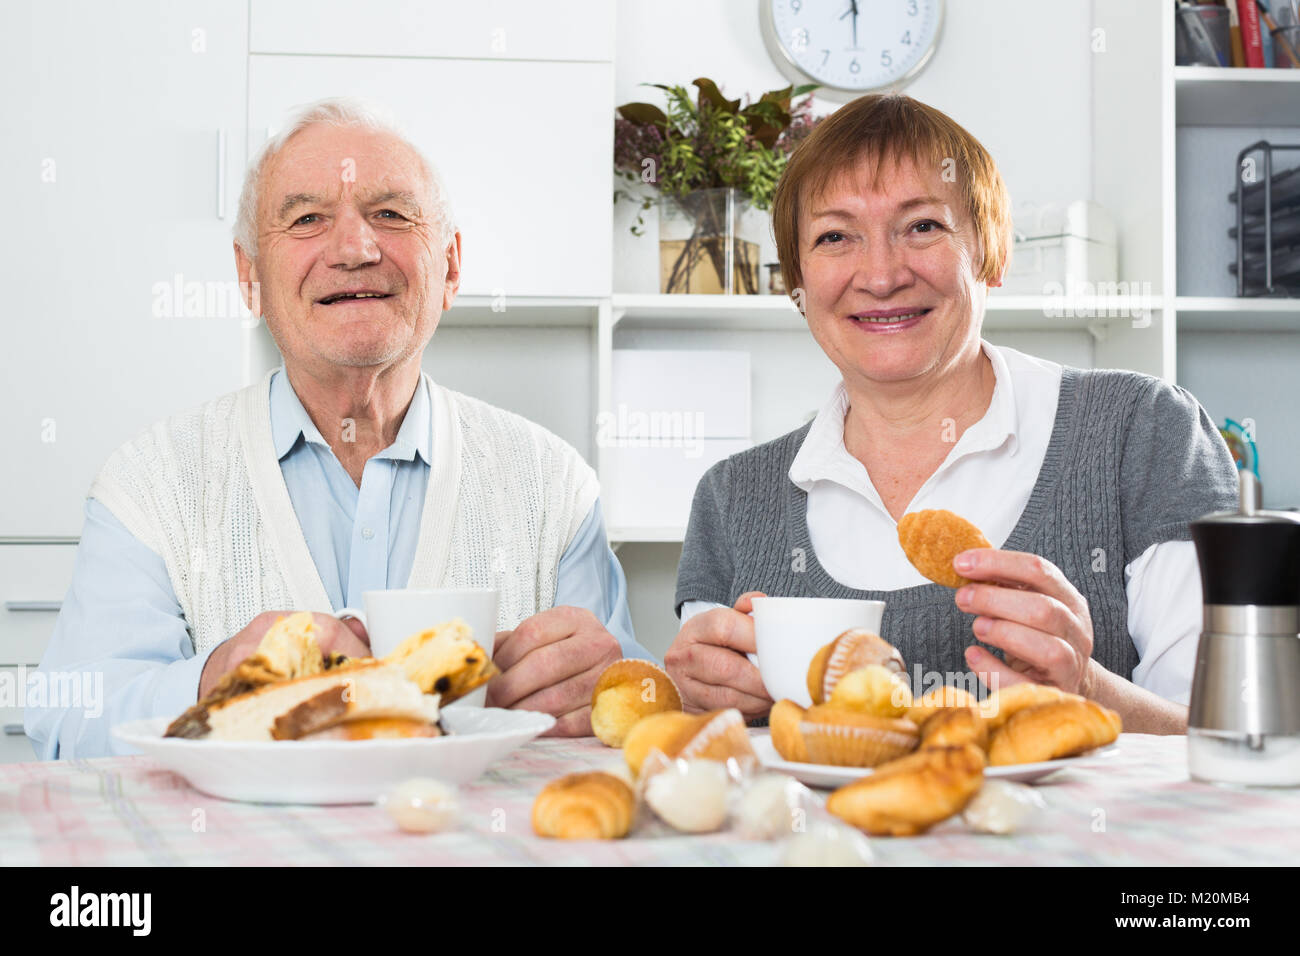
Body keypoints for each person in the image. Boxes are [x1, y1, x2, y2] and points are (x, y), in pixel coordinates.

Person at [27, 97, 648, 757]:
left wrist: (608, 693)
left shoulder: (555, 488)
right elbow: (67, 725)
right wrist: (210, 685)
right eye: (306, 218)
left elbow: (634, 710)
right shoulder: (148, 485)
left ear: (452, 267)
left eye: (390, 213)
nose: (355, 247)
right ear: (249, 278)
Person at [667, 93, 1236, 735]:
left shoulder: (1143, 432)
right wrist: (696, 707)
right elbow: (717, 764)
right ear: (795, 283)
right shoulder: (731, 497)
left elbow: (1229, 745)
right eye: (834, 236)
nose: (880, 276)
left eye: (922, 227)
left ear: (991, 253)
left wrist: (1090, 691)